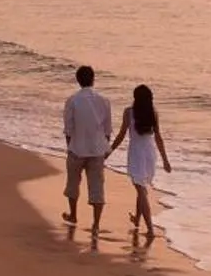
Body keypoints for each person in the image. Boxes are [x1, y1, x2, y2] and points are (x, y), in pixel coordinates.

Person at [110, 84, 171, 237]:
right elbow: (158, 137)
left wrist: (109, 151)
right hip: (150, 153)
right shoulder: (153, 113)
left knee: (141, 189)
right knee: (141, 188)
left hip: (136, 153)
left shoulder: (129, 112)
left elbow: (121, 135)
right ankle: (137, 219)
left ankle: (150, 229)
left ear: (135, 98)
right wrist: (165, 160)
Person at [61, 65, 113, 232]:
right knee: (97, 188)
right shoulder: (104, 100)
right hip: (97, 149)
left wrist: (70, 145)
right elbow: (107, 130)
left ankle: (73, 214)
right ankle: (96, 224)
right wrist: (104, 148)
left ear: (78, 81)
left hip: (77, 147)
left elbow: (68, 128)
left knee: (72, 185)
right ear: (93, 79)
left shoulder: (72, 100)